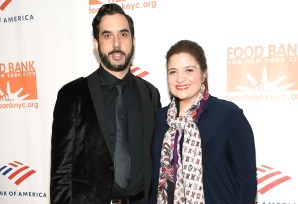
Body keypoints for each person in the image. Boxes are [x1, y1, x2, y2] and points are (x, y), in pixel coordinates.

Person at [50, 3, 161, 204]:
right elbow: (61, 173)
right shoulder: (72, 94)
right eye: (107, 35)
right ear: (96, 43)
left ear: (133, 41)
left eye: (123, 35)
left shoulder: (150, 94)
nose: (116, 43)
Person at [149, 40, 257, 203]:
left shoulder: (229, 115)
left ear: (203, 73)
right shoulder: (160, 118)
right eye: (173, 72)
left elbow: (247, 181)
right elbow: (155, 179)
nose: (180, 78)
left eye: (189, 70)